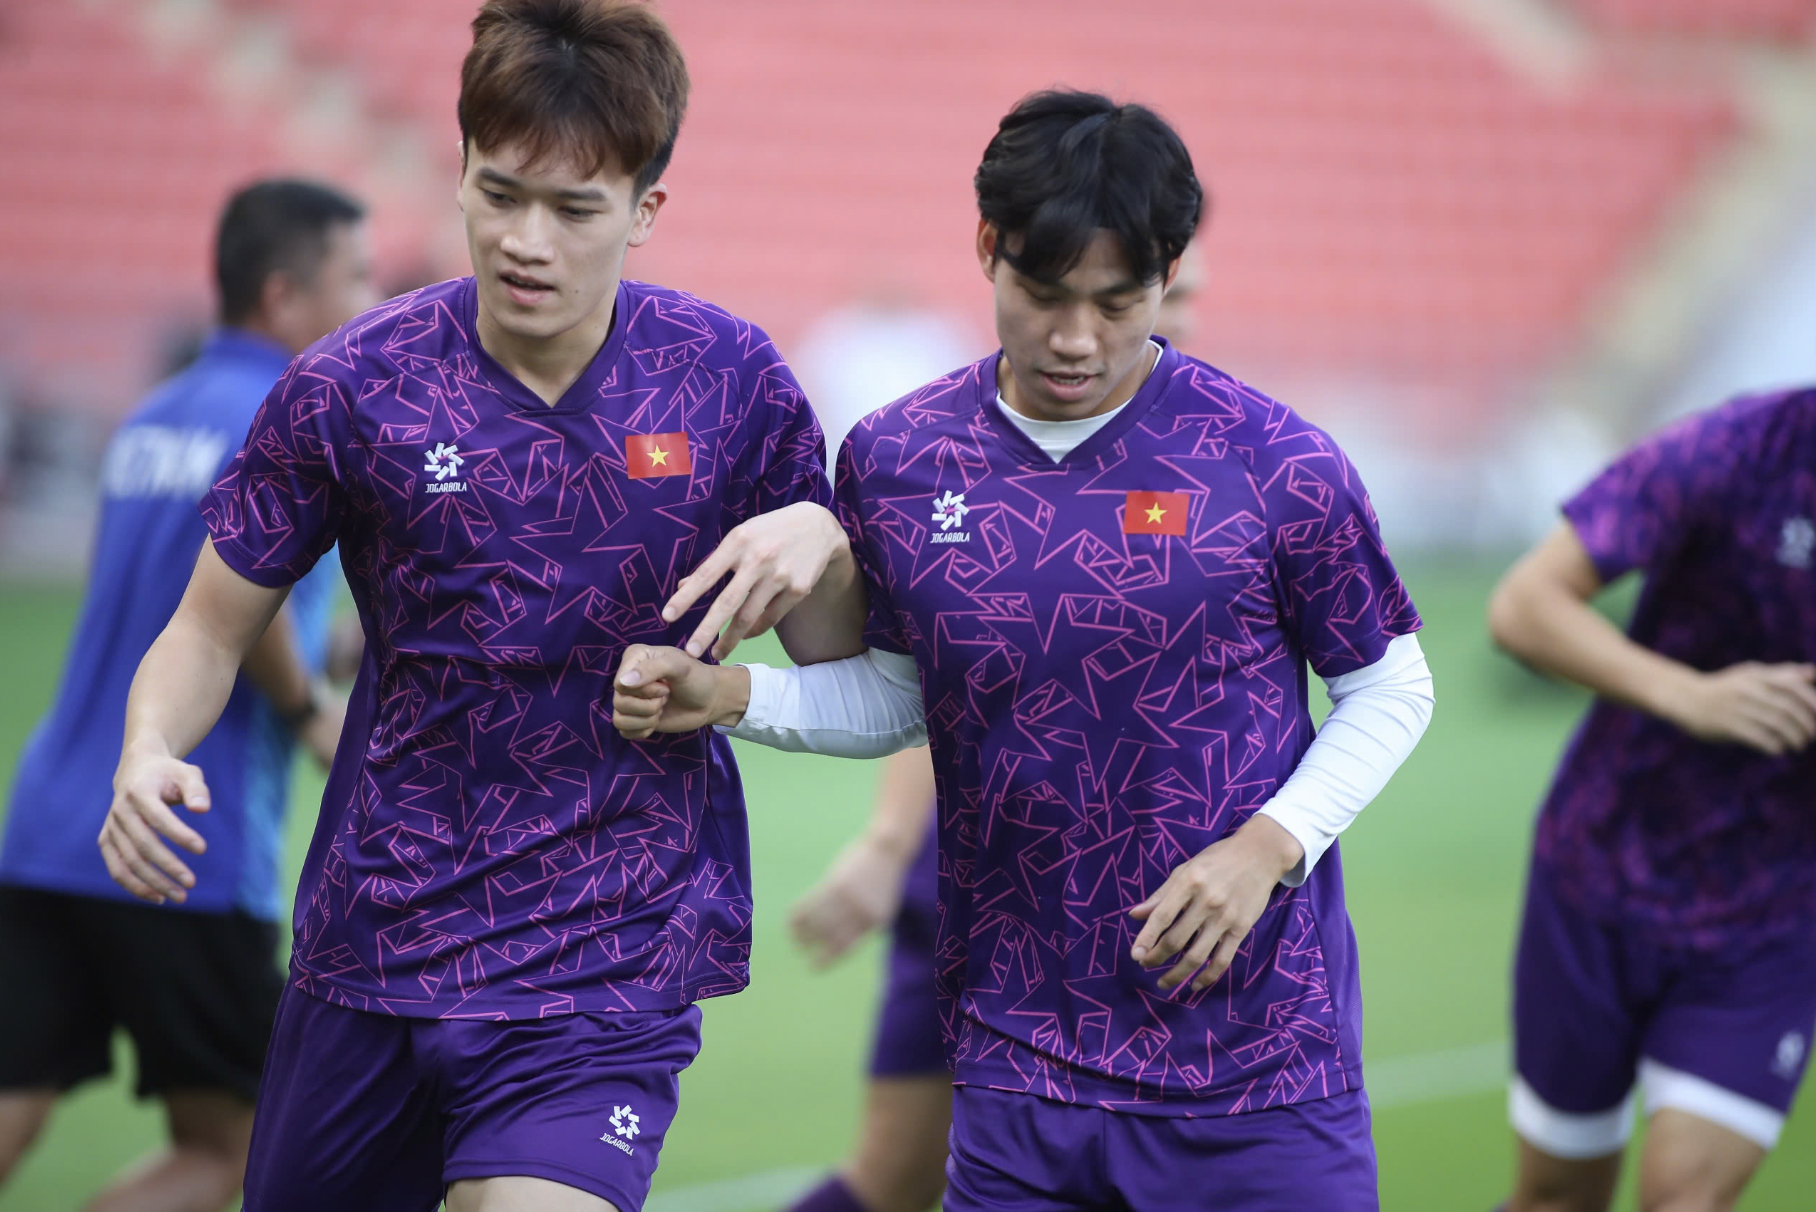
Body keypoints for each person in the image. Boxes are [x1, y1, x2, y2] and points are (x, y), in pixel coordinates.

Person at [92, 2, 862, 1210]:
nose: (526, 241)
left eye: (572, 209)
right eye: (499, 194)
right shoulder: (350, 385)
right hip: (377, 940)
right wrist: (146, 751)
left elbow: (842, 658)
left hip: (609, 958)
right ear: (457, 175)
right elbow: (204, 630)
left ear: (645, 213)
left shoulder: (733, 383)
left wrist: (827, 538)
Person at [613, 90, 1437, 1211]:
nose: (1077, 339)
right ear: (986, 248)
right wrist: (728, 694)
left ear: (1169, 274)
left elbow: (1389, 682)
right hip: (1015, 1068)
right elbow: (899, 698)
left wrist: (1267, 846)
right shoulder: (899, 456)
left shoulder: (1274, 460)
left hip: (1254, 1071)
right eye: (1045, 295)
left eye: (1119, 301)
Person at [783, 249, 1212, 1212]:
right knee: (893, 1177)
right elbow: (942, 683)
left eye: (1168, 300)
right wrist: (889, 844)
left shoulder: (1229, 465)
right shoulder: (979, 457)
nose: (1156, 324)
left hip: (1153, 897)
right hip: (980, 883)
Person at [0, 178, 373, 1212]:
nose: (372, 299)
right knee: (240, 1143)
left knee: (10, 1101)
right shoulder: (290, 414)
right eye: (356, 277)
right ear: (285, 293)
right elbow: (233, 627)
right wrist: (306, 712)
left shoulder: (151, 413)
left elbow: (177, 587)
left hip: (53, 816)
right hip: (184, 833)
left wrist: (337, 642)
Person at [1487, 390, 1816, 1212]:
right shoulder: (1736, 448)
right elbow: (1524, 605)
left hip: (1774, 915)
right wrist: (1692, 696)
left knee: (1683, 1197)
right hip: (1599, 873)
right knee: (1557, 1196)